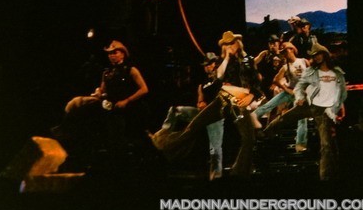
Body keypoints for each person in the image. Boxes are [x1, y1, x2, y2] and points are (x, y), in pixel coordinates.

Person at [152, 31, 264, 178]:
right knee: (193, 126)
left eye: (232, 43)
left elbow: (256, 81)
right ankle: (163, 145)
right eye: (226, 44)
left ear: (238, 43)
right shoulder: (224, 61)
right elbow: (219, 77)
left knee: (248, 137)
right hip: (223, 99)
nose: (230, 46)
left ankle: (240, 172)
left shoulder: (248, 60)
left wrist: (251, 96)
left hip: (240, 100)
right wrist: (227, 57)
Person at [261, 43, 347, 181]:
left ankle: (326, 175)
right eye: (314, 55)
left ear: (324, 55)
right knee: (284, 119)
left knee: (326, 144)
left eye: (319, 54)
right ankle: (265, 134)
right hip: (308, 104)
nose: (317, 57)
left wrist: (341, 106)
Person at [55, 40, 149, 152]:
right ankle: (64, 132)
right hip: (108, 104)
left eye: (115, 52)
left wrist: (127, 100)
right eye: (109, 53)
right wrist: (98, 92)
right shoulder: (107, 72)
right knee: (78, 105)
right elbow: (102, 90)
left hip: (124, 105)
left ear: (122, 54)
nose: (112, 55)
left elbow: (144, 89)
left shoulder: (131, 70)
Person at [159, 52, 225, 180]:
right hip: (202, 112)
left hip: (216, 114)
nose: (206, 67)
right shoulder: (203, 83)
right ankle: (163, 134)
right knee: (175, 110)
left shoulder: (220, 78)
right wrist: (200, 102)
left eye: (209, 64)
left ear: (215, 64)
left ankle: (216, 176)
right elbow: (200, 99)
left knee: (214, 146)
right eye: (205, 65)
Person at [250, 42, 309, 152]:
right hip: (290, 91)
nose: (285, 54)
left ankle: (301, 144)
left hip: (301, 93)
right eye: (283, 52)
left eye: (286, 51)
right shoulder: (285, 67)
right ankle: (252, 120)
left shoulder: (303, 61)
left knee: (302, 118)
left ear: (292, 49)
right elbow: (276, 80)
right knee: (269, 105)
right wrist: (286, 89)